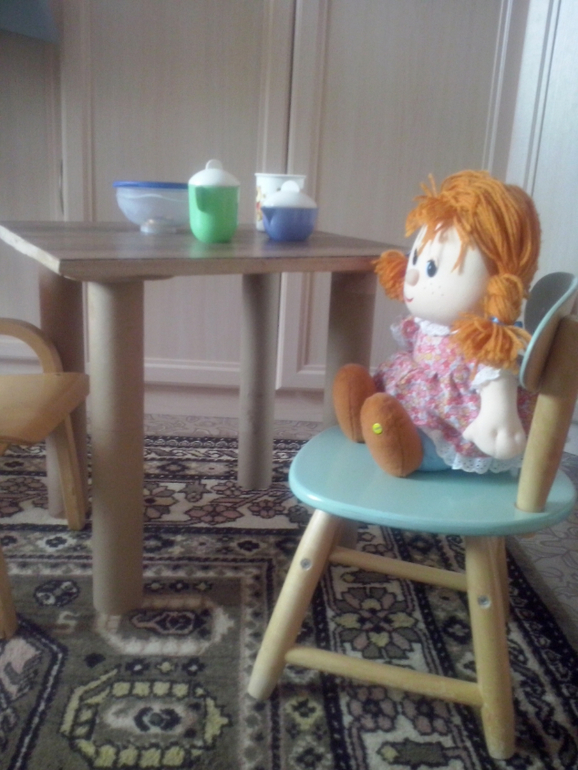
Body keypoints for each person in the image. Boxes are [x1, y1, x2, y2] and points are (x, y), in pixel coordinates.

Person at [333, 170, 541, 476]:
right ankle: (363, 419)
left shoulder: (486, 338)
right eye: (416, 259)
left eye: (431, 267)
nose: (412, 274)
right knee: (377, 406)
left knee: (386, 422)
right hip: (412, 404)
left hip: (446, 426)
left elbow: (496, 376)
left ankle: (401, 448)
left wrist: (498, 422)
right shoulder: (427, 326)